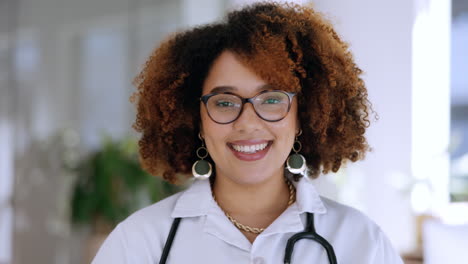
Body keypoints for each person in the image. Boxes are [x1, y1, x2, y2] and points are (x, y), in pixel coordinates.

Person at [92, 2, 404, 263]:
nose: (248, 123)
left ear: (303, 116)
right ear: (196, 120)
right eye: (224, 102)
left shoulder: (362, 242)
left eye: (271, 100)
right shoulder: (140, 242)